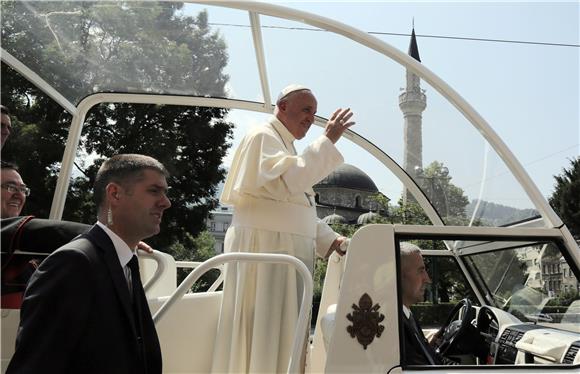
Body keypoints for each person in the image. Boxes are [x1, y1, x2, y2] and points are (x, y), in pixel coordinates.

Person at [211, 84, 355, 373]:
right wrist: (327, 140)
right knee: (264, 333)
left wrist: (331, 239)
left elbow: (295, 208)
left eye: (314, 113)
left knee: (283, 333)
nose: (310, 118)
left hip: (281, 254)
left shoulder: (285, 144)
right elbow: (291, 181)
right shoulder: (263, 136)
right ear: (282, 106)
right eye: (305, 109)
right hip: (267, 253)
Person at [7, 154, 171, 374]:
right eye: (154, 191)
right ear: (115, 194)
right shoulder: (73, 264)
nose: (166, 202)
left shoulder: (126, 262)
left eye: (165, 193)